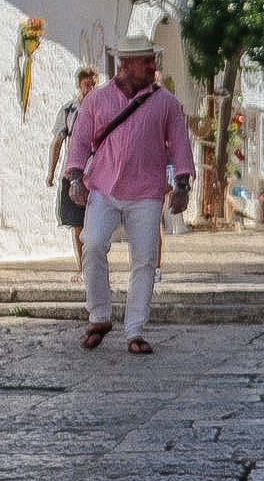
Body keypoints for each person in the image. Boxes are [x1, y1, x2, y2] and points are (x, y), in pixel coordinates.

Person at [64, 35, 193, 355]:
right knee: (91, 244)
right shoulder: (96, 100)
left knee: (145, 260)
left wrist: (182, 186)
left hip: (147, 192)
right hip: (103, 189)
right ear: (125, 65)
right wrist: (75, 178)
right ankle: (99, 317)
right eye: (146, 61)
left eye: (153, 60)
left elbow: (180, 144)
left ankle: (135, 329)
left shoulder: (167, 103)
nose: (153, 66)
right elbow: (79, 141)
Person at [47, 67, 100, 279]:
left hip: (96, 176)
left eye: (94, 84)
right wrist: (51, 172)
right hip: (73, 175)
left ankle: (95, 266)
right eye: (87, 84)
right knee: (77, 225)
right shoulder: (69, 111)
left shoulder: (104, 111)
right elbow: (58, 142)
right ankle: (83, 268)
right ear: (80, 85)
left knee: (95, 224)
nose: (91, 89)